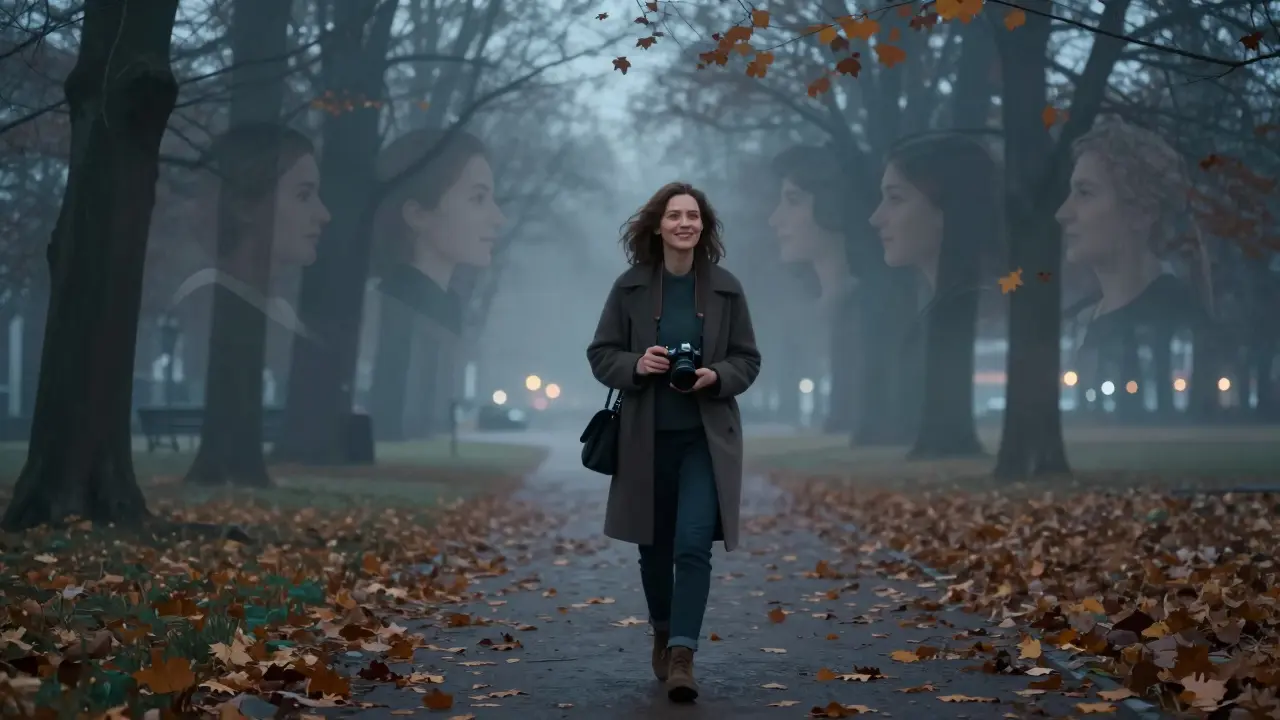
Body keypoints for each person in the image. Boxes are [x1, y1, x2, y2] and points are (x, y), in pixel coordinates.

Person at [586, 181, 761, 702]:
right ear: (658, 225)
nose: (684, 223)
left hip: (705, 443)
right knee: (654, 548)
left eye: (693, 216)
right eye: (674, 216)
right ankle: (663, 630)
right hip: (644, 439)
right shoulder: (630, 287)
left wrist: (718, 376)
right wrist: (637, 364)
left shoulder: (726, 288)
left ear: (703, 227)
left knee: (692, 545)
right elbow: (601, 354)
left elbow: (748, 359)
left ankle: (683, 654)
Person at [1056, 114, 1216, 419]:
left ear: (1141, 213)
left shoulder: (1178, 310)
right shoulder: (1084, 315)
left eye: (1085, 193)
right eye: (1071, 192)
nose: (1064, 213)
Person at [170, 123, 331, 403]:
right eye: (303, 195)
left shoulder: (279, 311)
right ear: (244, 205)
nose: (324, 214)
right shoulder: (212, 296)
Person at [364, 128, 504, 439]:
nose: (498, 218)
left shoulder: (443, 306)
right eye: (478, 198)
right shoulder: (394, 308)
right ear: (417, 214)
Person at [868, 133, 1001, 455]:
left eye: (895, 199)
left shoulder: (992, 300)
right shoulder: (930, 306)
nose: (876, 218)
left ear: (948, 209)